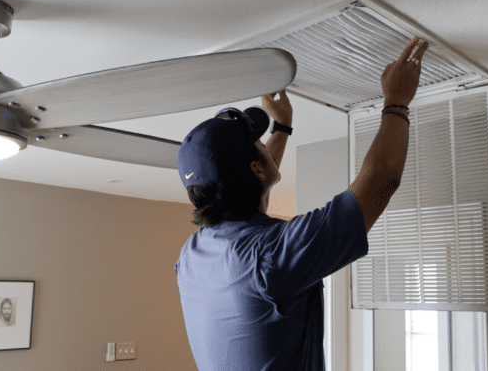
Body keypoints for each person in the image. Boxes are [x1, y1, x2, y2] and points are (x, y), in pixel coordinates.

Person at [175, 37, 429, 370]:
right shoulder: (270, 256)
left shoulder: (193, 255)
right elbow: (381, 179)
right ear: (255, 168)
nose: (264, 146)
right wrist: (397, 101)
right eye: (259, 143)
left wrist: (281, 127)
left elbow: (255, 194)